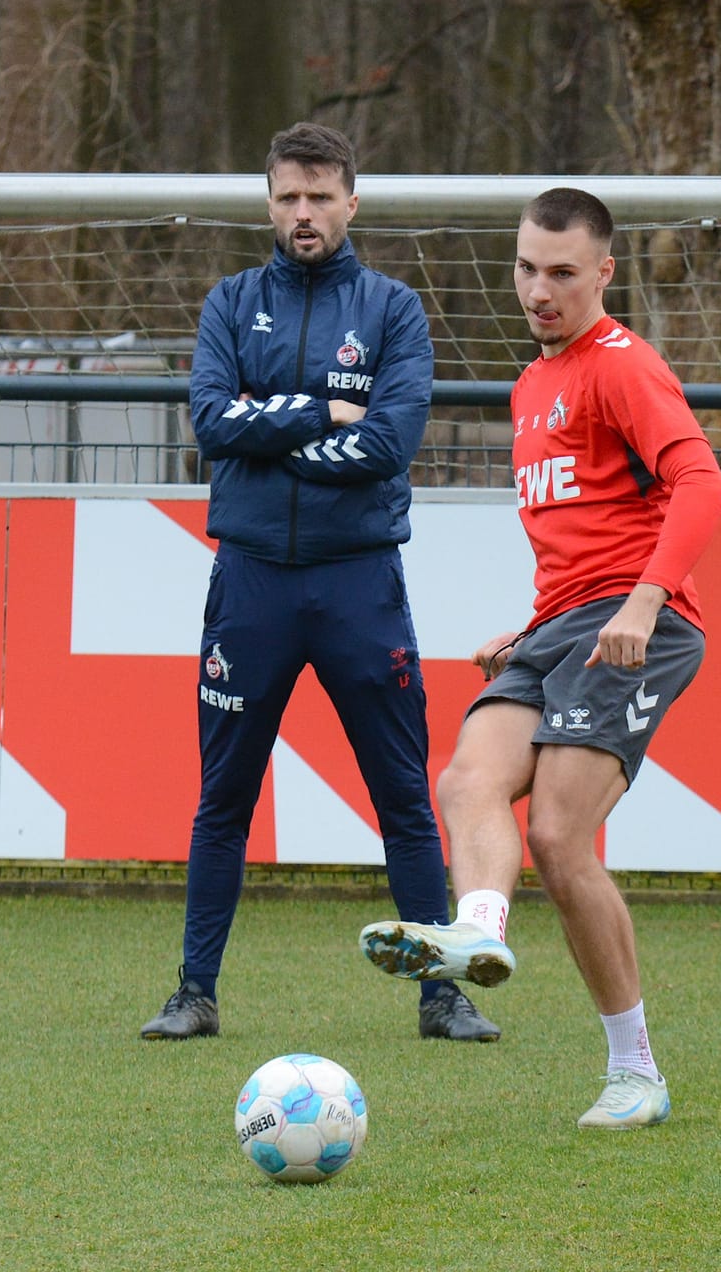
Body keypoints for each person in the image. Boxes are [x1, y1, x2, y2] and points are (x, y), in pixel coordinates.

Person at [359, 187, 721, 1128]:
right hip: (559, 626)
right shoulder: (532, 384)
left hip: (636, 625)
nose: (539, 289)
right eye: (527, 268)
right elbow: (578, 536)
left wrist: (645, 600)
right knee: (464, 781)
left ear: (603, 273)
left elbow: (702, 483)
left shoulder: (621, 367)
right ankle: (477, 934)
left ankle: (636, 1073)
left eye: (562, 273)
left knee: (563, 841)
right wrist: (530, 633)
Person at [141, 122, 498, 1044]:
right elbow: (213, 423)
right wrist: (321, 412)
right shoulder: (229, 302)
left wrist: (277, 432)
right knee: (224, 798)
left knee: (403, 797)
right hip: (251, 585)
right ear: (269, 203)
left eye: (321, 196)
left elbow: (388, 444)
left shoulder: (392, 310)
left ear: (352, 201)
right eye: (289, 197)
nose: (304, 213)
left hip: (357, 585)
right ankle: (194, 993)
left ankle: (441, 994)